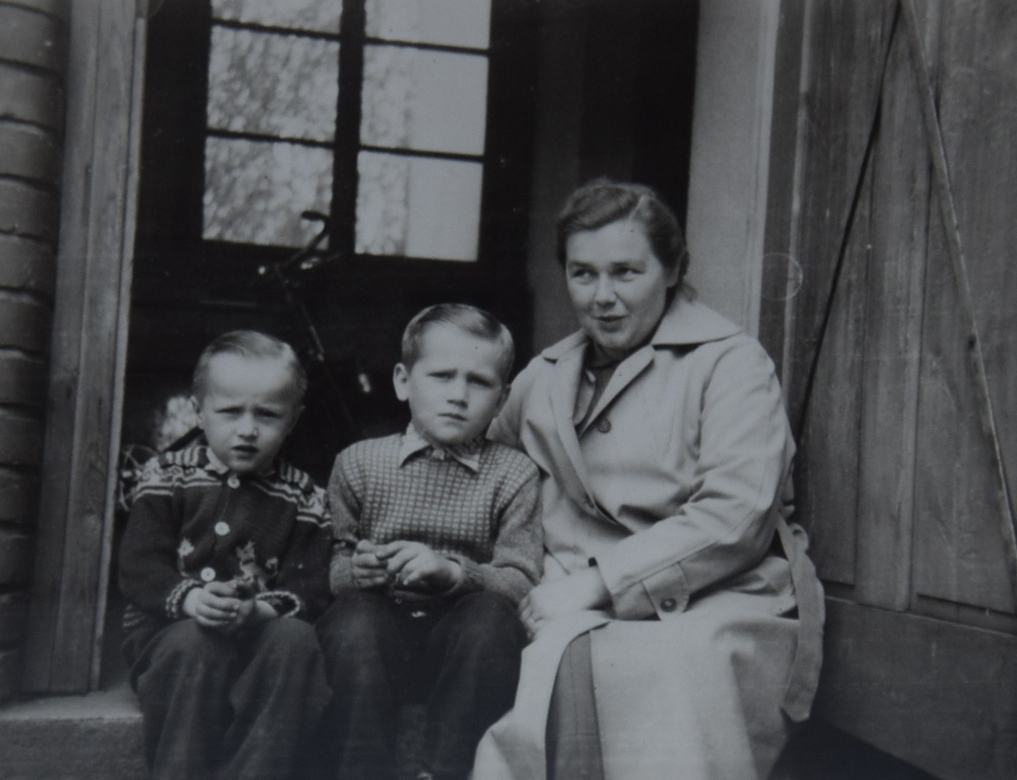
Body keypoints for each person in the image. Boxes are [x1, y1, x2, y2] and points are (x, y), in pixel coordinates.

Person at [472, 180, 824, 780]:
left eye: (626, 272)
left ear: (673, 269)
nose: (603, 297)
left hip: (716, 593)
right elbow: (487, 482)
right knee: (544, 651)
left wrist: (598, 584)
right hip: (561, 591)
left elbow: (736, 515)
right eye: (583, 274)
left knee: (638, 666)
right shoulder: (544, 375)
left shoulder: (731, 363)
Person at [316, 304, 543, 780]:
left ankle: (447, 771)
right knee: (351, 622)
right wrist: (358, 571)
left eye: (479, 382)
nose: (458, 396)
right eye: (441, 376)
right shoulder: (357, 463)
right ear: (403, 381)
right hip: (376, 643)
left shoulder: (514, 473)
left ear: (502, 398)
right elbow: (333, 567)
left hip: (460, 649)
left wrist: (456, 574)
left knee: (491, 622)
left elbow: (521, 581)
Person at [119, 330, 332, 780]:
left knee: (297, 641)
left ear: (294, 419)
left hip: (259, 635)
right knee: (197, 644)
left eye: (268, 414)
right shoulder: (167, 476)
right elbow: (140, 566)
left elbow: (313, 584)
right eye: (230, 412)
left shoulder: (304, 497)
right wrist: (193, 600)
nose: (248, 429)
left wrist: (261, 610)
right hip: (169, 633)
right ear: (199, 411)